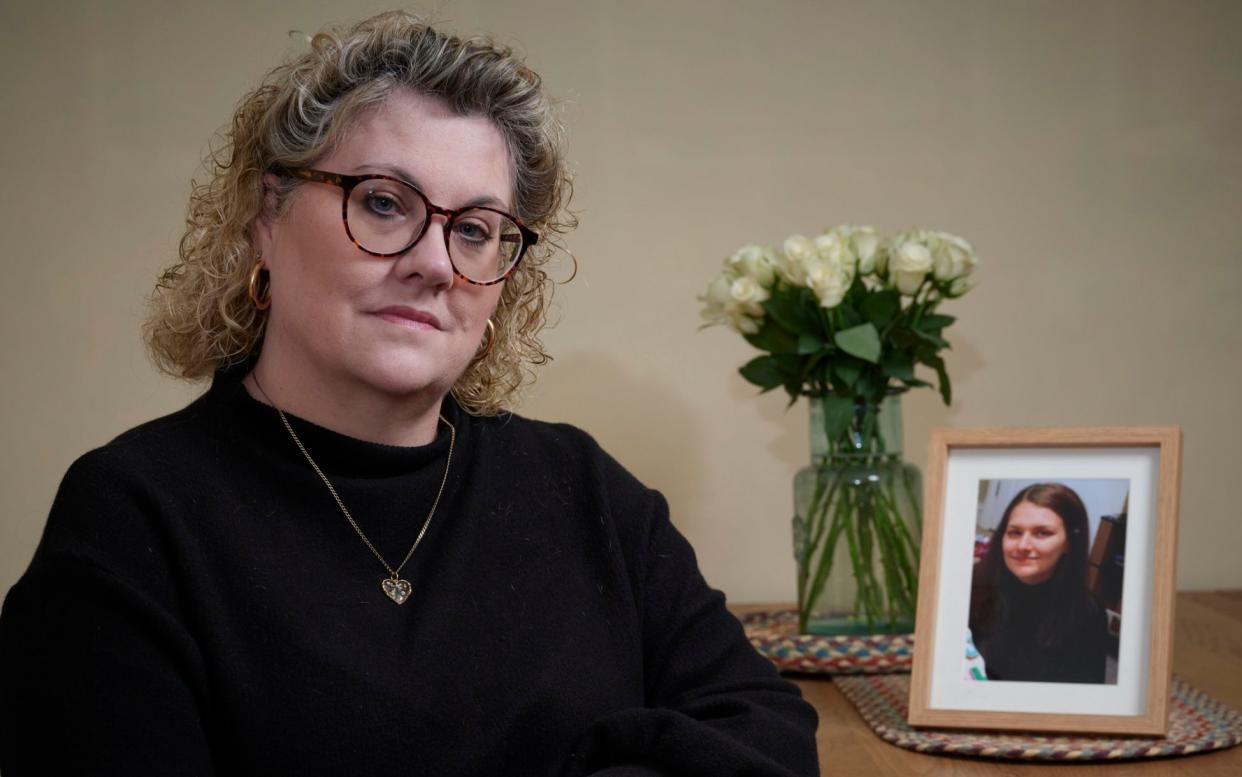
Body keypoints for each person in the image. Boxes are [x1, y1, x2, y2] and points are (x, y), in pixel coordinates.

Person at [0, 12, 818, 776]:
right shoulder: (132, 518)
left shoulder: (585, 488)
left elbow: (766, 728)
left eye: (473, 228)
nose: (435, 263)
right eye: (385, 203)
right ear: (266, 218)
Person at [968, 483, 1111, 684]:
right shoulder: (973, 584)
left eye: (1042, 533)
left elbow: (1085, 697)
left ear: (1070, 541)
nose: (1023, 546)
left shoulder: (1087, 613)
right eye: (1015, 532)